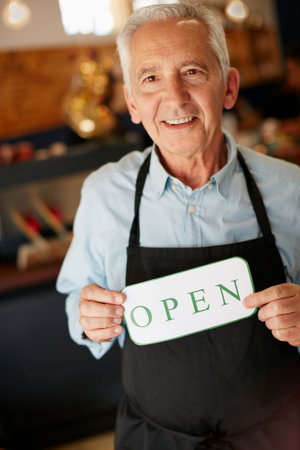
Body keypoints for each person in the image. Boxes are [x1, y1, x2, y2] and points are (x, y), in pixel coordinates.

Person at [57, 2, 300, 449]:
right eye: (150, 78)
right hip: (153, 438)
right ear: (132, 102)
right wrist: (88, 317)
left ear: (228, 88)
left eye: (192, 71)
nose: (174, 97)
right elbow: (77, 295)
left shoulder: (292, 190)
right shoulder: (104, 195)